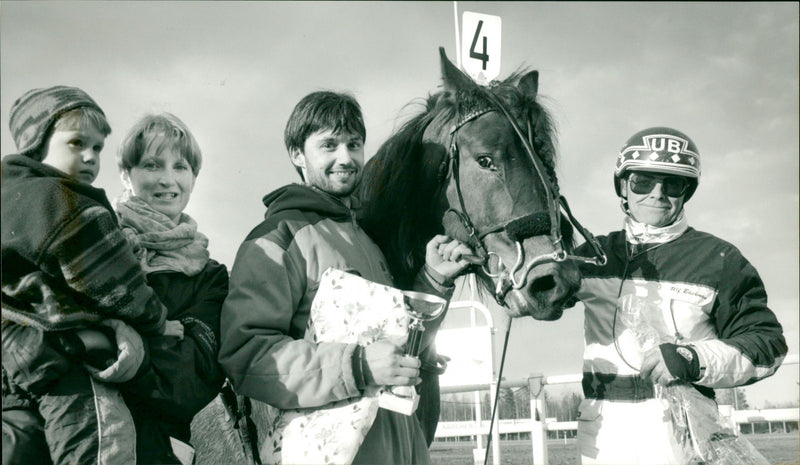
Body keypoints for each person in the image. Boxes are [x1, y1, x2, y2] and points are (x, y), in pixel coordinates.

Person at [218, 91, 473, 465]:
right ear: (297, 154)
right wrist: (360, 367)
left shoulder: (367, 240)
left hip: (401, 448)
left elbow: (396, 343)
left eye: (354, 144)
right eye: (329, 145)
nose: (346, 157)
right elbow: (248, 355)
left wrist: (433, 279)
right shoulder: (277, 238)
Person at [573, 127, 788, 464]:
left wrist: (693, 358)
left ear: (686, 192)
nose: (658, 194)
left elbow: (768, 347)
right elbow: (524, 297)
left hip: (686, 437)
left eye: (672, 184)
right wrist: (457, 273)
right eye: (643, 181)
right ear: (623, 187)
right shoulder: (592, 255)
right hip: (602, 439)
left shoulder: (719, 258)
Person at [1, 86, 173, 465]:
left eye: (97, 147)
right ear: (36, 143)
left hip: (17, 354)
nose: (90, 157)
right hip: (64, 353)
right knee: (99, 439)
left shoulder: (9, 194)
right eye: (77, 143)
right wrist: (158, 321)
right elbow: (113, 283)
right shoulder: (62, 203)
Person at [112, 112, 229, 464]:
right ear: (125, 174)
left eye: (180, 167)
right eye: (151, 165)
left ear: (194, 177)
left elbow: (190, 381)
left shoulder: (209, 277)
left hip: (158, 449)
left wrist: (117, 345)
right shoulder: (96, 248)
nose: (168, 180)